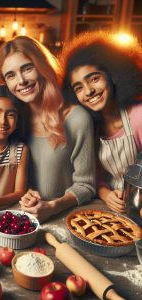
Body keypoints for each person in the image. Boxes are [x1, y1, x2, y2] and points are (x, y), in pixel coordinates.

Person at [0, 36, 96, 222]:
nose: (21, 80)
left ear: (42, 66)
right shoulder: (11, 121)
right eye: (11, 75)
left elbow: (86, 185)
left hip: (63, 220)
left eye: (27, 68)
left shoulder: (77, 118)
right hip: (17, 218)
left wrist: (53, 206)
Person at [59, 31, 142, 214]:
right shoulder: (90, 125)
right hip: (109, 209)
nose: (88, 91)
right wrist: (107, 195)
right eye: (78, 88)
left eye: (94, 79)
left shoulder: (138, 115)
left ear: (113, 75)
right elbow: (97, 178)